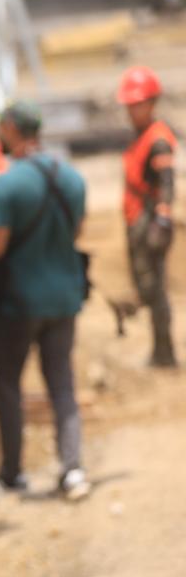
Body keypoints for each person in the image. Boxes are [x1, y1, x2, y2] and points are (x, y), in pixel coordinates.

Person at [0, 99, 91, 501]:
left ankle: (12, 473)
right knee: (62, 385)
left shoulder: (7, 185)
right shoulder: (72, 178)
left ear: (11, 130)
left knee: (8, 387)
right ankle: (72, 468)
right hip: (65, 298)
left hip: (16, 305)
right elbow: (76, 233)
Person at [118, 66, 179, 367]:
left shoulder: (157, 140)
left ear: (152, 103)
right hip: (137, 219)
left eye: (137, 104)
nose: (132, 111)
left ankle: (164, 353)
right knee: (146, 286)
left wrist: (162, 221)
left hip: (149, 221)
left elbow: (167, 184)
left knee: (155, 289)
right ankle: (159, 349)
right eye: (129, 105)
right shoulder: (141, 136)